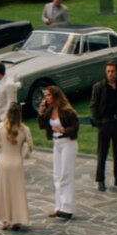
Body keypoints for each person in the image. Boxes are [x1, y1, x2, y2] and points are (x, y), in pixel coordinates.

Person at [37, 84, 79, 220]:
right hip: (57, 144)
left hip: (68, 143)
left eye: (49, 95)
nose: (46, 98)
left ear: (55, 96)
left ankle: (68, 208)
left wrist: (64, 130)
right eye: (46, 95)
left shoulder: (67, 111)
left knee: (66, 175)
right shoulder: (49, 109)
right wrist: (41, 112)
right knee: (57, 175)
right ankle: (59, 207)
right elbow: (42, 125)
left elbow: (75, 127)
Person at [0, 102, 33, 230]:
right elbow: (30, 147)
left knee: (4, 191)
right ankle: (16, 220)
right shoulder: (25, 129)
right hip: (16, 163)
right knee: (16, 192)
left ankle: (5, 219)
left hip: (3, 162)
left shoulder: (0, 127)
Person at [90, 61, 117, 191]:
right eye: (108, 71)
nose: (110, 74)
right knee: (102, 153)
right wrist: (99, 122)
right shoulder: (99, 87)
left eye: (112, 71)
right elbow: (93, 105)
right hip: (105, 124)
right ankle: (100, 180)